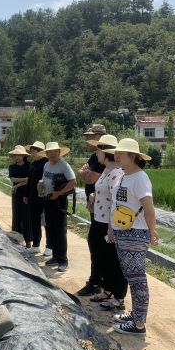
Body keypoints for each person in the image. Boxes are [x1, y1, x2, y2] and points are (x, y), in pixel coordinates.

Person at [104, 138, 159, 336]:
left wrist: (152, 230)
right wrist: (111, 229)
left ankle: (138, 324)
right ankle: (135, 314)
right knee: (130, 275)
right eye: (116, 153)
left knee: (137, 279)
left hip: (136, 232)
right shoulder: (122, 176)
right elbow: (115, 205)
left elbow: (149, 208)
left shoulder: (140, 178)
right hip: (121, 232)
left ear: (133, 156)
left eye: (121, 153)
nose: (117, 156)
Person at [84, 135, 128, 311]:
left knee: (113, 259)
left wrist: (112, 226)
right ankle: (107, 289)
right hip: (98, 219)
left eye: (98, 150)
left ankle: (118, 296)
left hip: (109, 222)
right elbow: (103, 191)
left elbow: (117, 200)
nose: (96, 154)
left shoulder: (117, 173)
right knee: (100, 256)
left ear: (106, 152)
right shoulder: (105, 171)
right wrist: (94, 196)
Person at [77, 123, 107, 296]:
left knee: (98, 244)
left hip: (103, 209)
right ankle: (97, 280)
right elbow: (82, 173)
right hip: (95, 207)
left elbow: (90, 179)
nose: (87, 139)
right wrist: (86, 174)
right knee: (95, 243)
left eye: (90, 136)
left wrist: (87, 174)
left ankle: (97, 282)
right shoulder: (95, 157)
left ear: (99, 137)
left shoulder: (106, 158)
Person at [37, 142, 76, 272]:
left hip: (59, 201)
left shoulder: (64, 166)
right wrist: (41, 187)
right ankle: (55, 256)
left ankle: (63, 259)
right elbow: (44, 180)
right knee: (51, 229)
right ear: (46, 154)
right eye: (50, 152)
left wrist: (58, 193)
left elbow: (73, 182)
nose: (53, 154)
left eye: (55, 151)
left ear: (59, 152)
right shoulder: (46, 165)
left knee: (60, 231)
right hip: (48, 200)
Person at [23, 141, 48, 253]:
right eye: (32, 150)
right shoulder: (32, 164)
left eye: (34, 150)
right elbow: (29, 181)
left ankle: (49, 246)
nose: (32, 152)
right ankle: (36, 244)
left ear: (41, 151)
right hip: (33, 196)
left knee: (46, 222)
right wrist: (26, 194)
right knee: (34, 221)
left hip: (43, 197)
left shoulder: (46, 163)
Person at [8, 145, 30, 235]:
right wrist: (25, 179)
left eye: (19, 155)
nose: (17, 157)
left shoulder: (29, 166)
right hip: (16, 192)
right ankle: (16, 237)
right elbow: (13, 179)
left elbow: (31, 180)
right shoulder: (12, 167)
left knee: (26, 216)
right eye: (15, 155)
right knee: (16, 215)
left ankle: (28, 240)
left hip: (27, 192)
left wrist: (20, 183)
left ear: (24, 156)